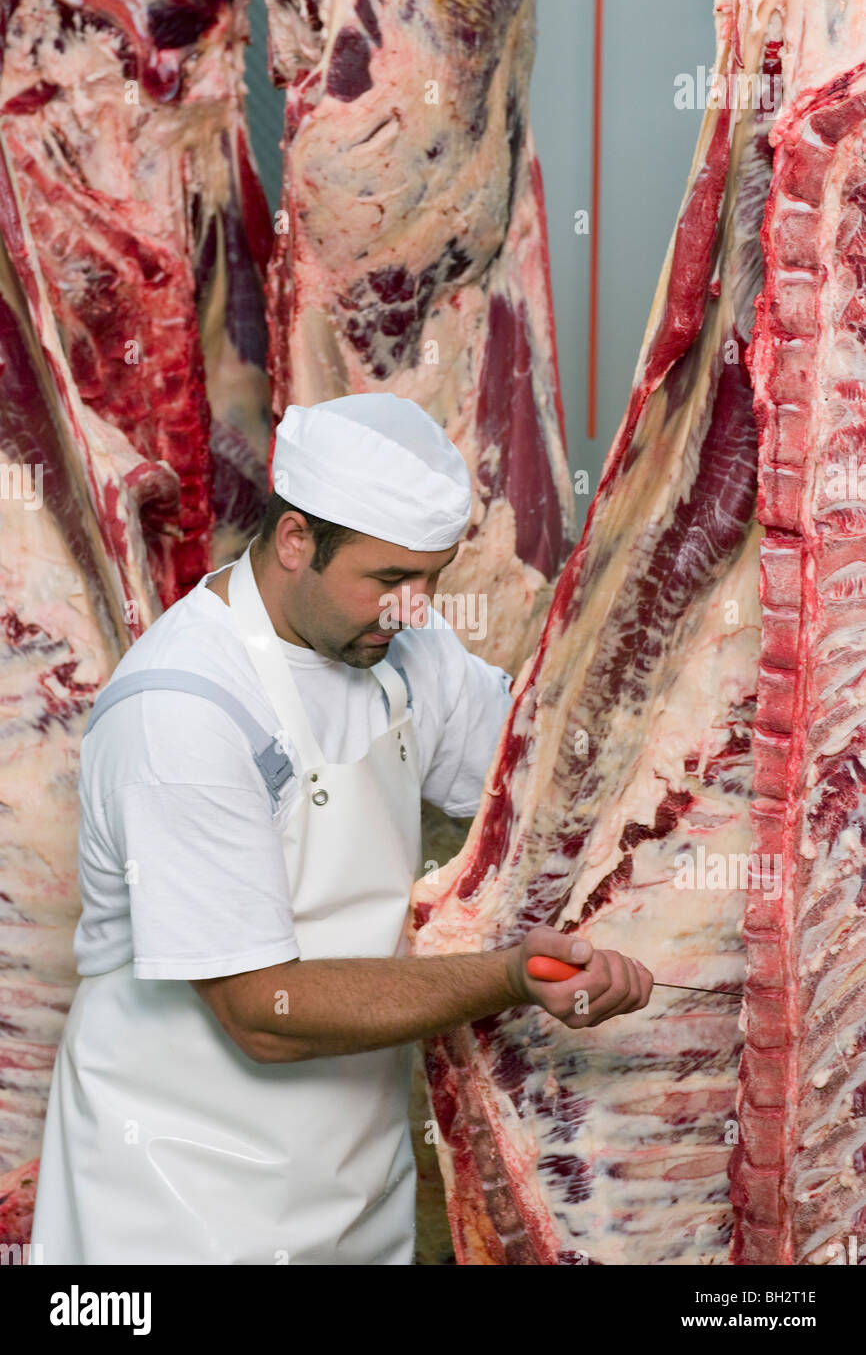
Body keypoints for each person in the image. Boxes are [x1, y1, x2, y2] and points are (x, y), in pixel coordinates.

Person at [31, 392, 652, 1265]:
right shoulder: (180, 712)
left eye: (430, 579)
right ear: (295, 541)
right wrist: (510, 975)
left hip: (352, 1193)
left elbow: (551, 792)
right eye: (390, 579)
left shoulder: (405, 652)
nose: (414, 609)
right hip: (172, 1206)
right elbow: (262, 1010)